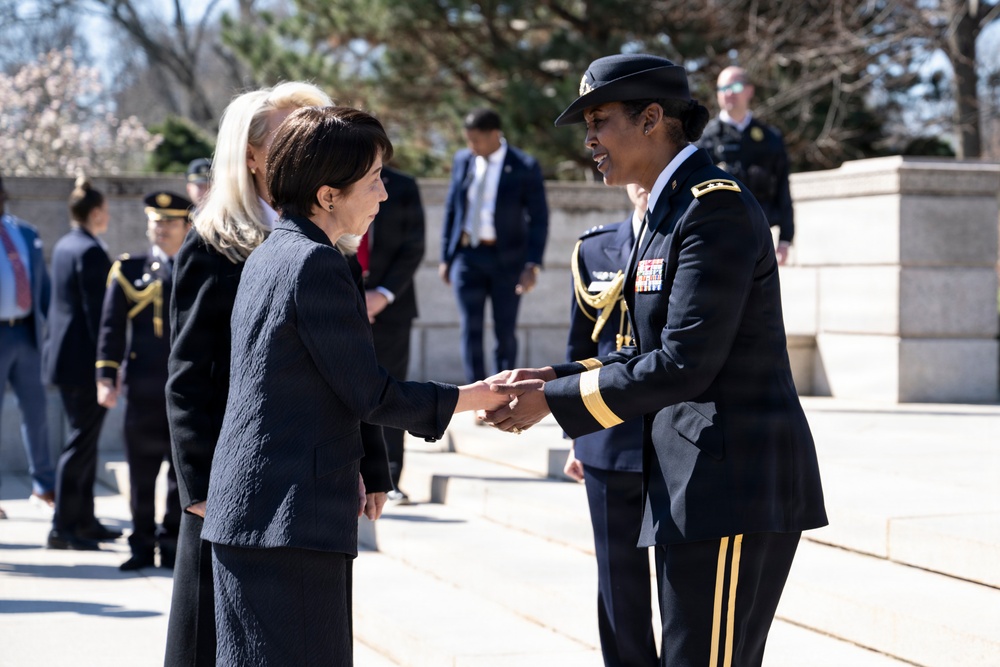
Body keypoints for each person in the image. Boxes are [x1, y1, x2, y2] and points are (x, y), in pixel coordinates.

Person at [485, 54, 828, 666]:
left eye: (599, 119)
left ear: (651, 119)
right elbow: (640, 353)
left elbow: (683, 364)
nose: (589, 138)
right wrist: (554, 377)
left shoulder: (711, 207)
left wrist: (553, 403)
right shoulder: (665, 212)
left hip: (733, 486)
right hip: (690, 486)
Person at [202, 105, 507, 666]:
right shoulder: (316, 265)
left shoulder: (273, 254)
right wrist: (474, 398)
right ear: (327, 196)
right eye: (373, 181)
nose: (384, 195)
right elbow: (371, 392)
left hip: (255, 515)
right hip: (288, 521)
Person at [164, 82, 337, 667]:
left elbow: (346, 368)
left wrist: (373, 464)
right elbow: (189, 375)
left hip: (301, 481)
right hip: (226, 486)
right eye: (292, 136)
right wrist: (199, 493)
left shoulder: (324, 241)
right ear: (253, 156)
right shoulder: (211, 246)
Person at [563, 183, 656, 667]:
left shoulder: (688, 233)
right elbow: (580, 347)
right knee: (619, 581)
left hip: (671, 430)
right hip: (607, 431)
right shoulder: (594, 247)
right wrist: (575, 436)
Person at [96, 191, 191, 571]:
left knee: (178, 474)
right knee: (140, 473)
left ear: (187, 226)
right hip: (142, 388)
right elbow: (110, 329)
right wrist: (105, 375)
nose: (162, 229)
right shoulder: (128, 270)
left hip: (186, 390)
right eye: (157, 221)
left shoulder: (197, 266)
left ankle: (170, 545)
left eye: (170, 222)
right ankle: (140, 544)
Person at [439, 108, 549, 383]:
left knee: (505, 331)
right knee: (470, 328)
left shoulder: (524, 165)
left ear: (494, 135)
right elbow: (452, 208)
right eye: (467, 140)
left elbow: (539, 219)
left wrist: (532, 264)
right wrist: (446, 257)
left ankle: (502, 392)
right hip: (468, 256)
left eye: (476, 140)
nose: (471, 146)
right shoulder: (464, 160)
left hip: (507, 260)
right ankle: (477, 395)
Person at [44, 175, 122, 550]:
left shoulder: (65, 244)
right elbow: (98, 317)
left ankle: (84, 520)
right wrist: (106, 367)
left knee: (84, 443)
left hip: (64, 360)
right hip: (82, 364)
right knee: (80, 444)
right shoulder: (89, 251)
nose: (107, 216)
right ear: (94, 213)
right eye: (104, 210)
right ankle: (63, 525)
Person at [362, 165, 426, 503]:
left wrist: (382, 295)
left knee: (391, 390)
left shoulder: (402, 186)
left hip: (393, 306)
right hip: (342, 297)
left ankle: (389, 475)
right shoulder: (333, 180)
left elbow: (414, 246)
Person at [696, 66, 795, 264]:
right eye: (722, 88)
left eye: (735, 86)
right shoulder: (705, 140)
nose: (728, 93)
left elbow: (783, 188)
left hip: (760, 239)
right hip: (718, 240)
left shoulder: (769, 138)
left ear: (749, 90)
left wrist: (785, 238)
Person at [0, 173, 55, 520]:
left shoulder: (24, 232)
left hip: (26, 334)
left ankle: (44, 486)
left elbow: (43, 288)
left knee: (37, 414)